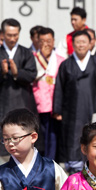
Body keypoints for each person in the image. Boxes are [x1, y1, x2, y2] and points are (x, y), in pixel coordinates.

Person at [53, 30, 96, 174]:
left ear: (90, 44)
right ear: (72, 44)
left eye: (84, 42)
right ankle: (74, 169)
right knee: (72, 137)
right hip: (70, 109)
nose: (81, 45)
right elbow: (59, 87)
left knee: (92, 135)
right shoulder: (66, 65)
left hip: (92, 108)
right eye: (78, 42)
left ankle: (93, 166)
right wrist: (57, 109)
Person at [0, 18, 38, 165]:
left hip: (22, 101)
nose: (13, 38)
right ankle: (1, 165)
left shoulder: (26, 53)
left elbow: (32, 75)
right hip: (1, 102)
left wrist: (16, 73)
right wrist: (2, 72)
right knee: (3, 132)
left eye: (15, 35)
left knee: (23, 130)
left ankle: (27, 161)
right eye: (9, 35)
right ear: (2, 34)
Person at [32, 27, 65, 160]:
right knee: (38, 136)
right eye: (43, 40)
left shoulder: (61, 59)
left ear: (54, 41)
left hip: (55, 103)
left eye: (49, 40)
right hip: (37, 103)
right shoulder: (33, 58)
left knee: (53, 136)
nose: (46, 44)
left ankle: (51, 162)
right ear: (37, 42)